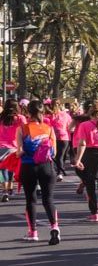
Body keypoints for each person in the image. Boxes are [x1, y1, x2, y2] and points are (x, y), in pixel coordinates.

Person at [18, 101, 58, 244]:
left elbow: (20, 151)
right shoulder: (49, 129)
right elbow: (53, 152)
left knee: (31, 200)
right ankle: (55, 227)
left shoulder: (23, 128)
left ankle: (33, 232)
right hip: (46, 166)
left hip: (28, 166)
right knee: (48, 199)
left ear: (28, 112)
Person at [0, 99, 26, 201]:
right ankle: (10, 188)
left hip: (1, 147)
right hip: (15, 147)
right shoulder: (20, 118)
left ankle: (5, 190)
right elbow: (25, 132)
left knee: (2, 170)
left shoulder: (1, 118)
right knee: (11, 168)